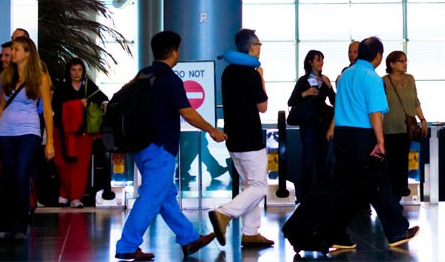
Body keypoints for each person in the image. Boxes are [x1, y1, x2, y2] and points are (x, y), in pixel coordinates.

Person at [114, 31, 225, 261]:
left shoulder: (142, 75)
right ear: (174, 52)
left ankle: (189, 238)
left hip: (141, 147)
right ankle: (127, 244)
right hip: (160, 147)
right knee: (151, 196)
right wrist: (211, 130)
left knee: (165, 195)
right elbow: (188, 113)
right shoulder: (170, 79)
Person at [325, 36, 419, 251]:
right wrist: (380, 140)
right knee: (379, 184)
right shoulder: (372, 78)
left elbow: (338, 107)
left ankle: (336, 234)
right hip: (364, 136)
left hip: (343, 137)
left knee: (347, 187)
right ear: (378, 56)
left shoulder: (346, 75)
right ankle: (396, 231)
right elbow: (374, 112)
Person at [207, 29, 274, 249]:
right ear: (251, 46)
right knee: (260, 186)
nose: (260, 48)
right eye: (259, 44)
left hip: (233, 137)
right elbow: (263, 107)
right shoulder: (251, 74)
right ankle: (223, 214)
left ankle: (250, 232)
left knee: (248, 185)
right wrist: (262, 77)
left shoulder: (228, 72)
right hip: (251, 138)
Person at [0, 36, 54, 239]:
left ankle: (21, 222)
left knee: (21, 175)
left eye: (17, 49)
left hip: (29, 132)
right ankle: (14, 220)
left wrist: (50, 142)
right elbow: (1, 107)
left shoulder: (40, 78)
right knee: (10, 178)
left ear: (28, 53)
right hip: (5, 133)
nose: (12, 53)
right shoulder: (5, 77)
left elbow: (47, 111)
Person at [52, 58, 108, 208]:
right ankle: (64, 193)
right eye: (73, 70)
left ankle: (76, 197)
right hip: (63, 132)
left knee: (81, 166)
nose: (76, 73)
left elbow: (102, 97)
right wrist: (78, 104)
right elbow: (56, 106)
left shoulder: (88, 86)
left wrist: (104, 103)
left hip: (82, 133)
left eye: (79, 70)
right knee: (62, 164)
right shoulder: (62, 87)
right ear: (68, 71)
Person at [287, 49, 334, 201]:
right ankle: (305, 195)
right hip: (308, 124)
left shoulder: (325, 80)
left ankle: (323, 193)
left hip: (322, 125)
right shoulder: (303, 81)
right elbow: (291, 101)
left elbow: (334, 101)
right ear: (310, 62)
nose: (321, 63)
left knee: (322, 159)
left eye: (322, 60)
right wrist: (305, 93)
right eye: (318, 60)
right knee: (307, 158)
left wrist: (330, 86)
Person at [382, 50, 427, 201]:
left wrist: (423, 119)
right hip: (388, 128)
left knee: (402, 162)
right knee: (391, 164)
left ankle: (400, 193)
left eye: (405, 61)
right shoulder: (383, 81)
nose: (404, 64)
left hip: (407, 128)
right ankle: (392, 196)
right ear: (391, 64)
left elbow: (415, 102)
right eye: (401, 61)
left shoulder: (410, 79)